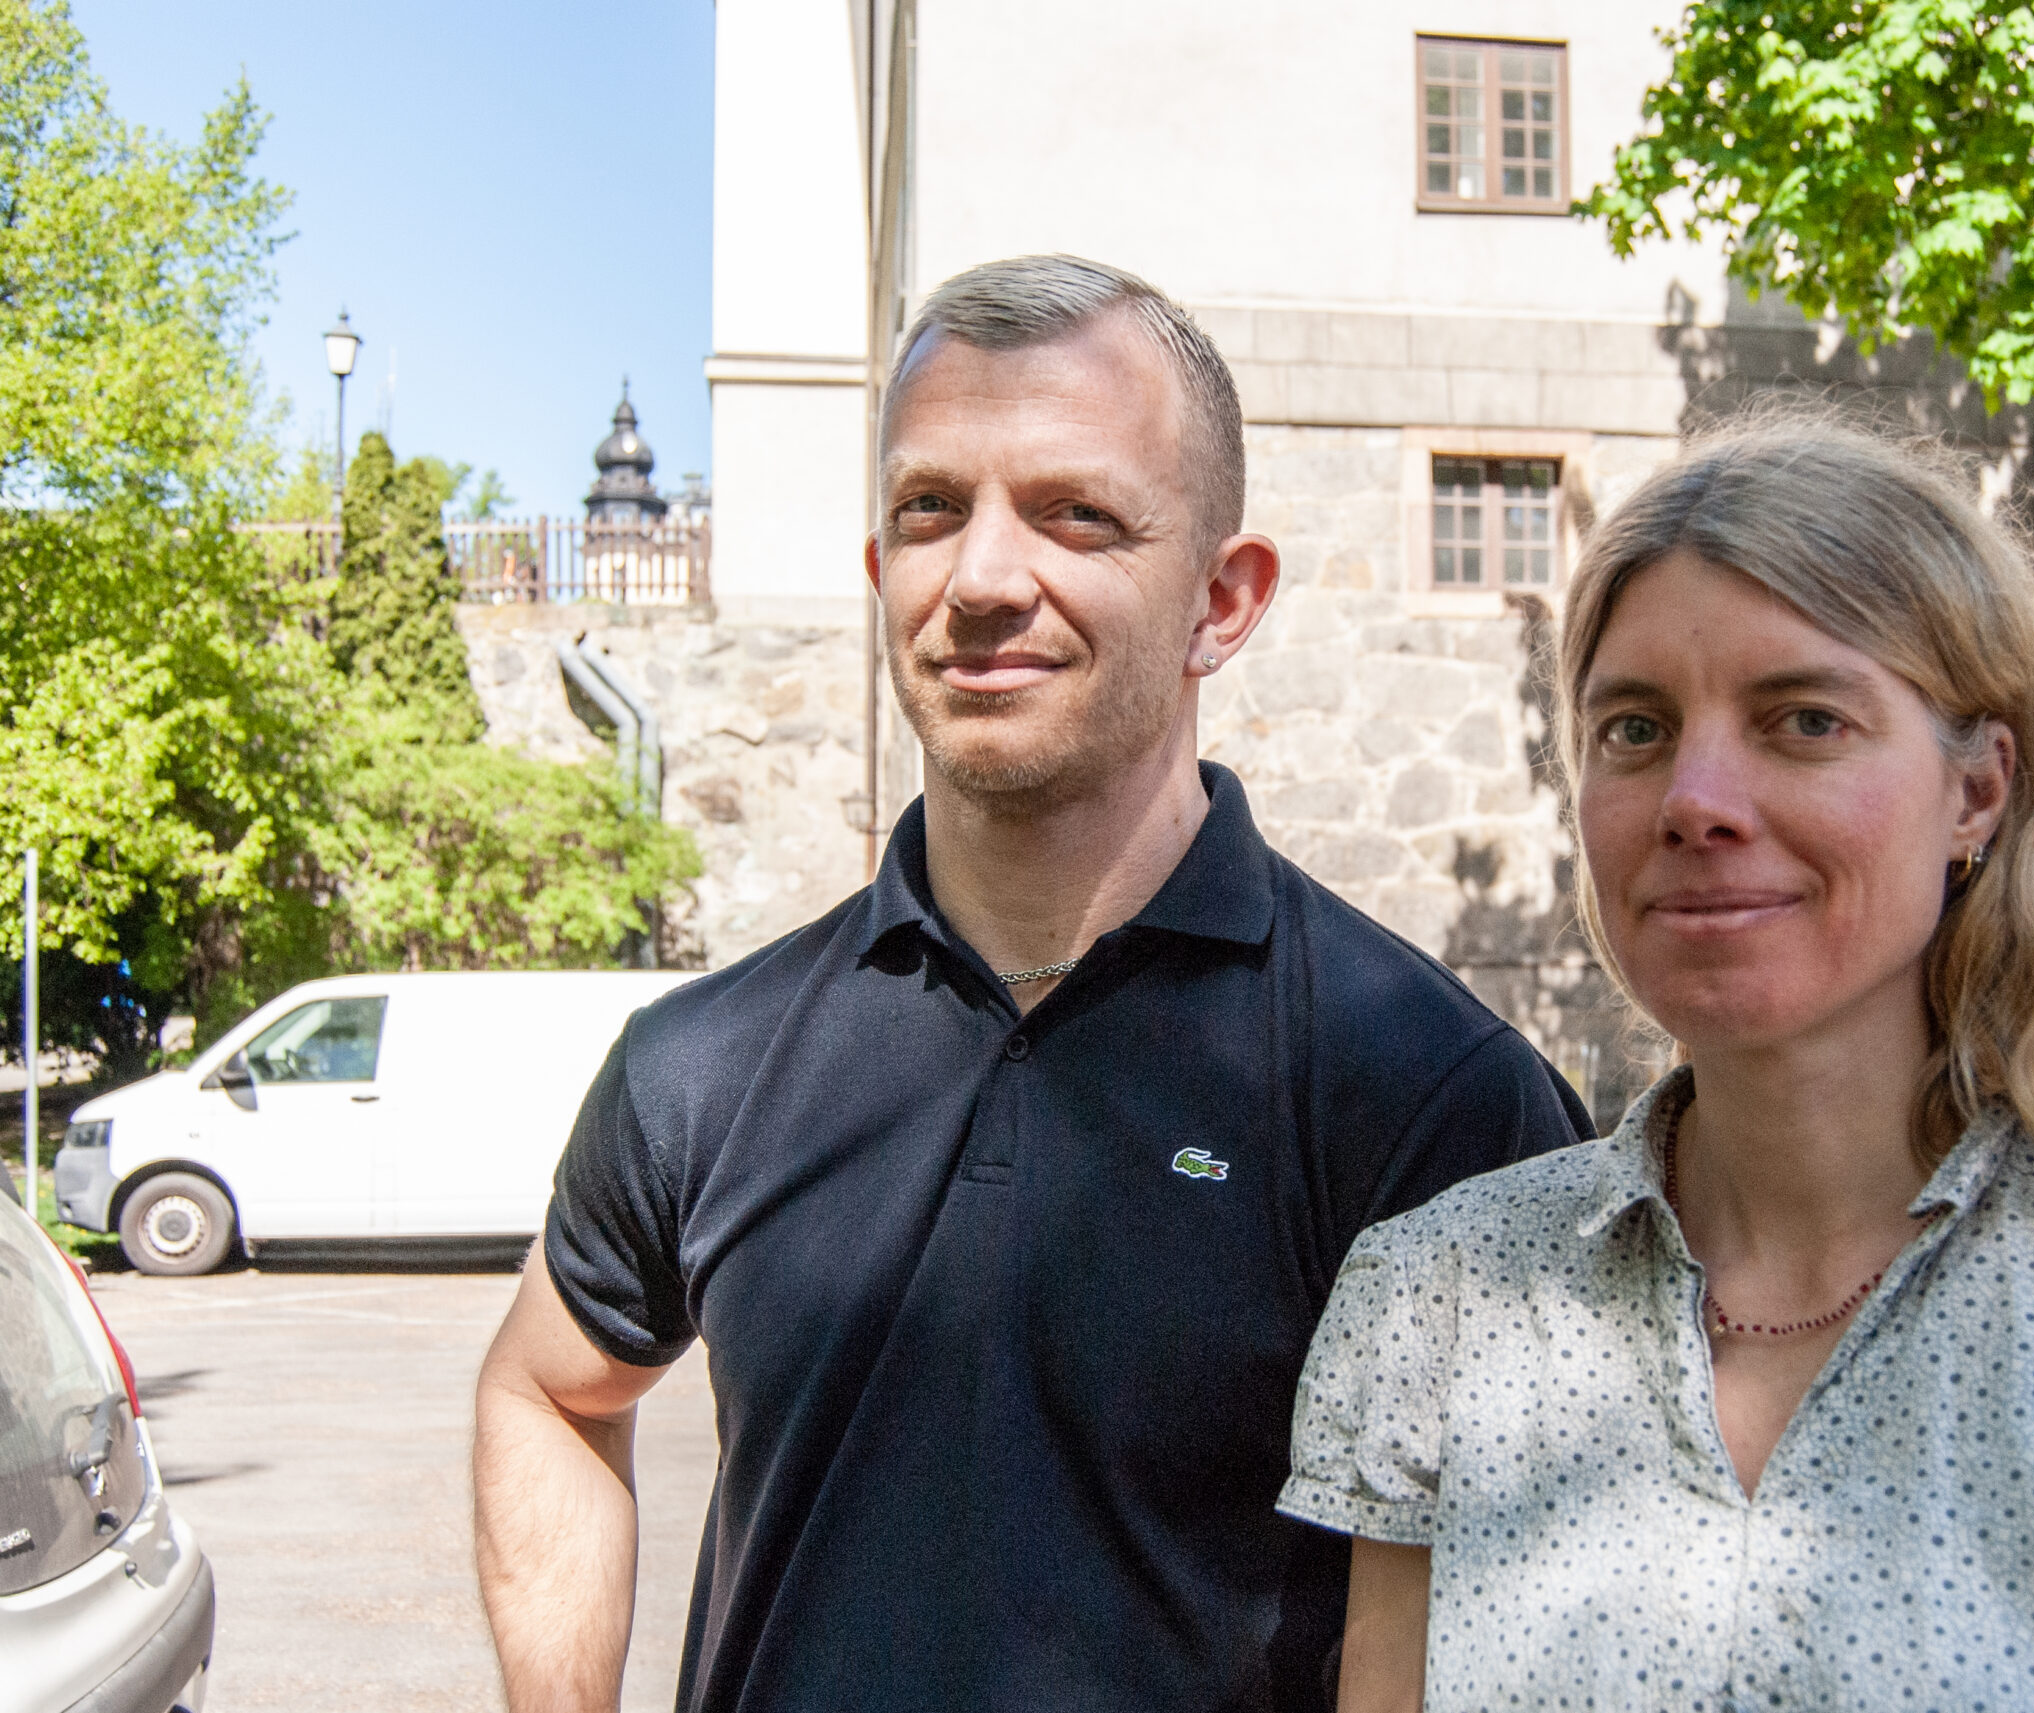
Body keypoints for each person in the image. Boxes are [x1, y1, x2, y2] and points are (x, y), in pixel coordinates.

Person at [470, 254, 1592, 1713]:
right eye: (931, 509)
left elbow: (1543, 1590)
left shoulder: (1425, 1096)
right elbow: (544, 1390)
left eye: (1077, 514)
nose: (987, 577)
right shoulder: (704, 1062)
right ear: (883, 574)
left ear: (1222, 600)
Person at [1283, 412, 2034, 1713]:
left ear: (1978, 792)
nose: (1696, 796)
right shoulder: (1438, 1295)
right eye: (1635, 727)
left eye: (1805, 720)